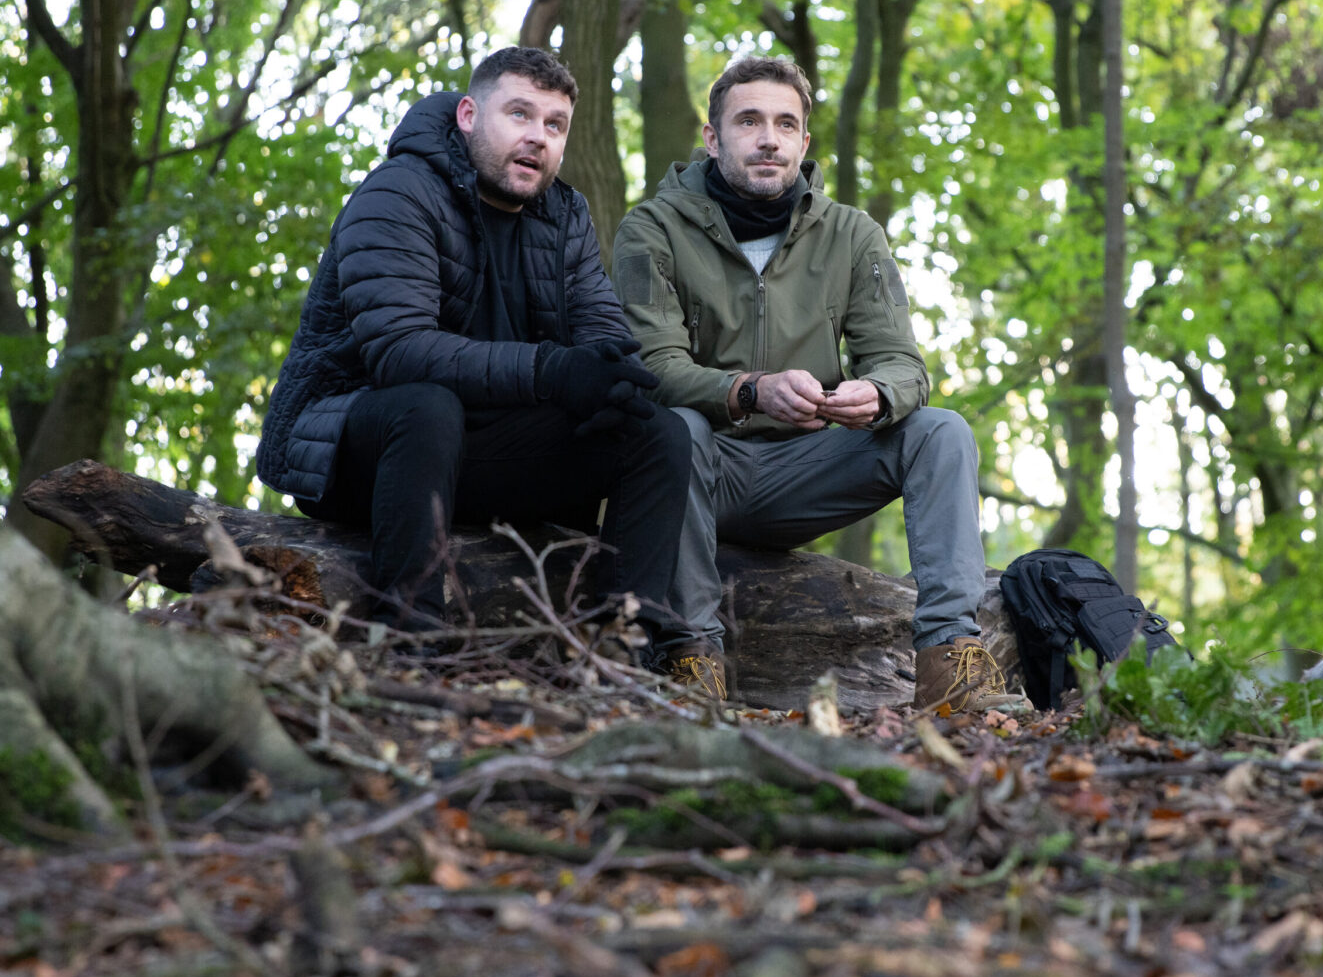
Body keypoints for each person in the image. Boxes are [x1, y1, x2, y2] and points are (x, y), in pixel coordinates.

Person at [611, 56, 1016, 711]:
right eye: (748, 121)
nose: (768, 137)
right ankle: (691, 660)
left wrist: (878, 393)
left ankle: (952, 663)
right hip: (703, 471)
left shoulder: (852, 235)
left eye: (785, 123)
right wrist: (748, 389)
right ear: (713, 139)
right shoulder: (652, 229)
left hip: (811, 469)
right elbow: (649, 368)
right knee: (673, 427)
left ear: (804, 142)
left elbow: (902, 364)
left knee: (941, 430)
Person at [257, 47, 690, 659]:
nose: (537, 137)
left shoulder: (565, 216)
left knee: (657, 431)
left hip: (488, 451)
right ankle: (413, 639)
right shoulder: (398, 193)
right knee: (428, 407)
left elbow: (602, 337)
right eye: (519, 114)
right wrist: (552, 370)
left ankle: (626, 648)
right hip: (361, 446)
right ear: (468, 115)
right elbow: (398, 353)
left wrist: (606, 378)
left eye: (554, 124)